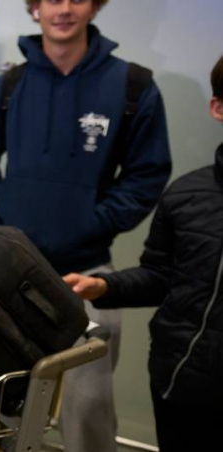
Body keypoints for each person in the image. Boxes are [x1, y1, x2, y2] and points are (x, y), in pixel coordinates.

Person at [0, 1, 172, 451]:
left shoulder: (133, 85)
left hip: (87, 275)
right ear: (35, 8)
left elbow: (147, 175)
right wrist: (3, 206)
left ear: (93, 6)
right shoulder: (9, 86)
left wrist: (94, 221)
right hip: (8, 275)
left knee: (89, 409)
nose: (64, 8)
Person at [63, 54, 223, 452]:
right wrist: (103, 286)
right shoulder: (186, 195)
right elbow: (161, 276)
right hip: (182, 383)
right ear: (218, 108)